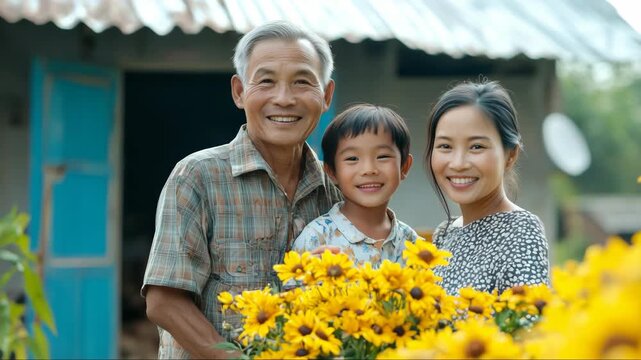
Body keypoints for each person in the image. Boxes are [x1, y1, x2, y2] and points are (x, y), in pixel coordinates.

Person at [141, 21, 342, 358]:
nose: (284, 98)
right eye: (266, 81)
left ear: (326, 96)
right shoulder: (198, 176)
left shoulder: (333, 191)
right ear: (239, 92)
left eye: (302, 82)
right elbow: (164, 302)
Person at [425, 80, 550, 296]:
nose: (458, 163)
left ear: (510, 155)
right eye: (445, 146)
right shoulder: (444, 233)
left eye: (476, 147)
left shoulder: (521, 232)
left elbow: (525, 324)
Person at [292, 104, 419, 267]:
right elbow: (296, 291)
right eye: (352, 159)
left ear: (404, 167)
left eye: (383, 156)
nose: (369, 170)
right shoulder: (316, 238)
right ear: (331, 171)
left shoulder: (413, 244)